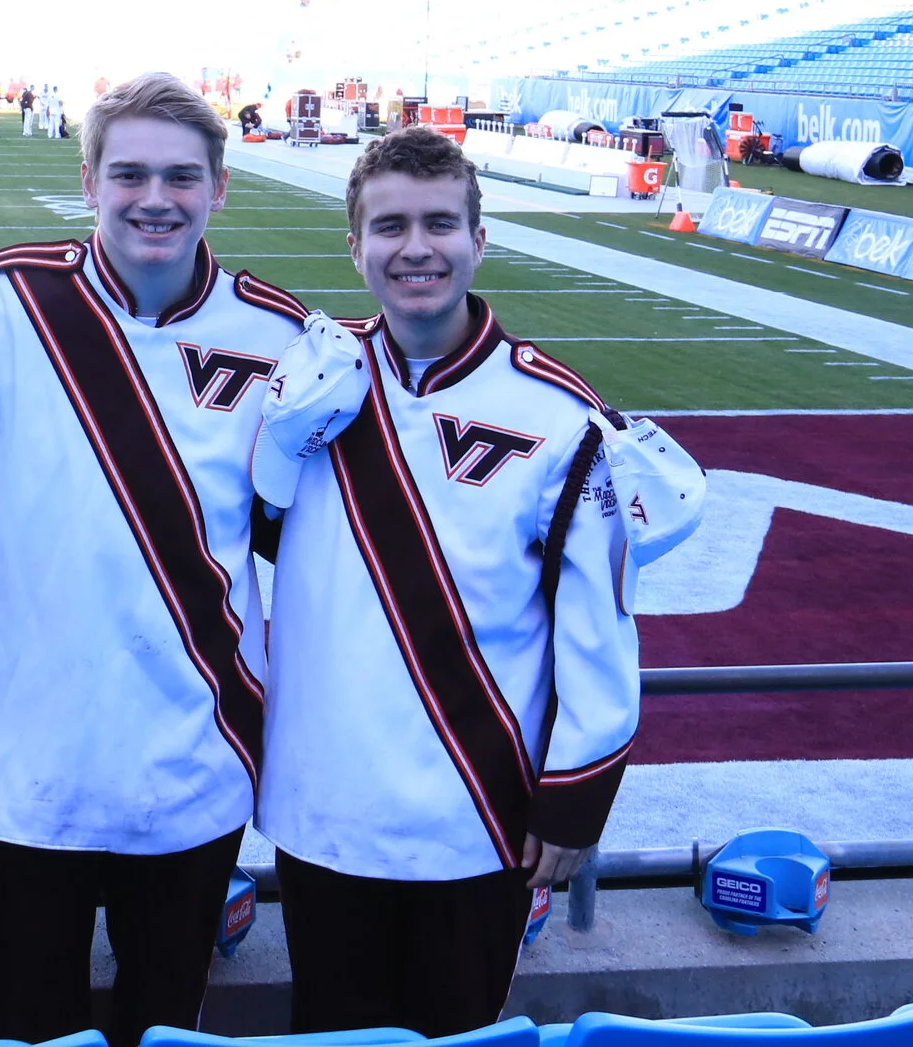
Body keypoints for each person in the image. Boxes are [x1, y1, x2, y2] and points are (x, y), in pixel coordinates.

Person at [252, 125, 644, 1037]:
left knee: (458, 1030)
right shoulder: (304, 381)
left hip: (479, 808)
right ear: (354, 246)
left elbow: (598, 625)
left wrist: (575, 795)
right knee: (334, 1028)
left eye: (439, 223)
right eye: (389, 226)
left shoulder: (561, 413)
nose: (416, 248)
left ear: (480, 239)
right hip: (327, 805)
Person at [0, 72, 311, 1047]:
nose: (156, 197)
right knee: (33, 1024)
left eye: (182, 176)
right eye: (130, 173)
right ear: (88, 180)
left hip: (192, 751)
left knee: (167, 1025)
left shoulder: (282, 333)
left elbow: (289, 527)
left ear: (220, 187)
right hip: (34, 755)